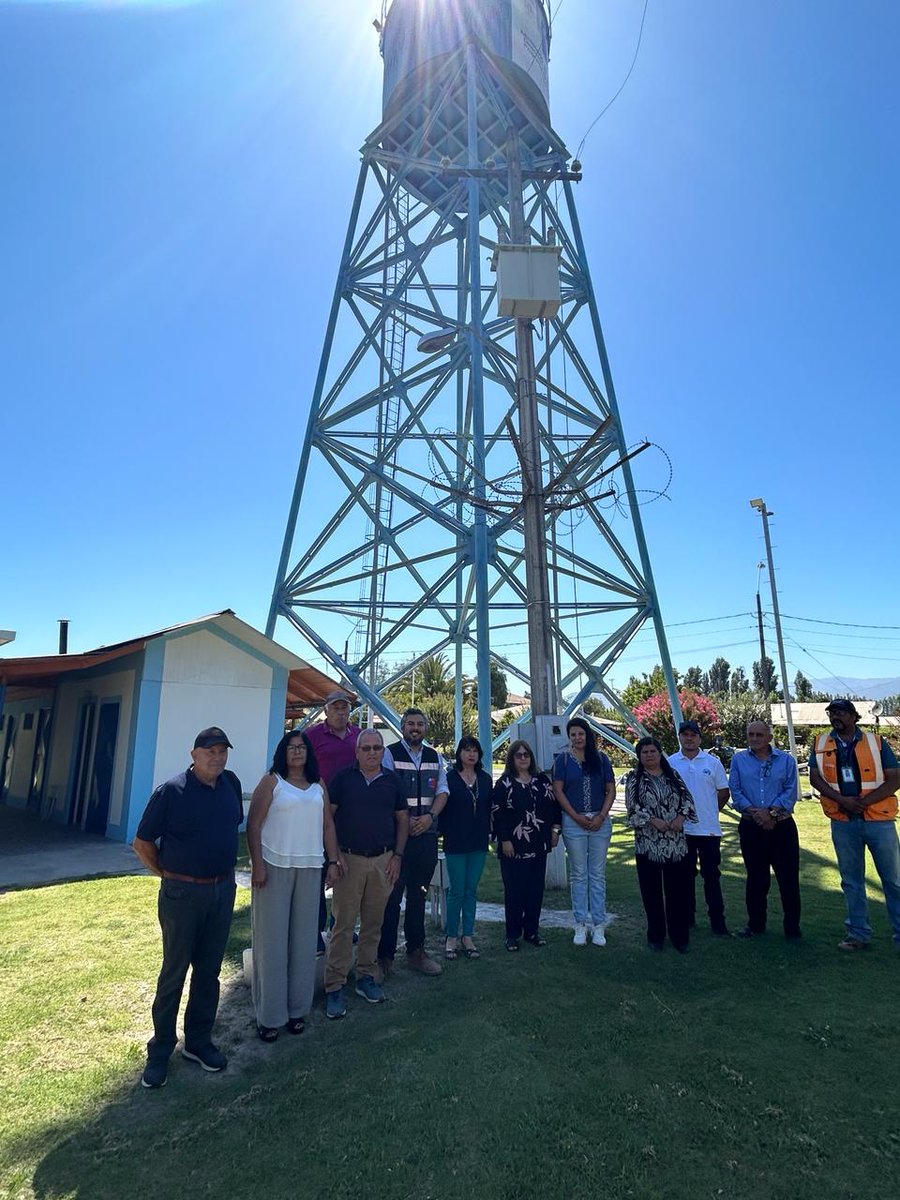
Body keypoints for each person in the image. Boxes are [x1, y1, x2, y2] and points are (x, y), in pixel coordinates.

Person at [132, 726, 244, 1089]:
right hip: (182, 895)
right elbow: (142, 843)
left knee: (209, 972)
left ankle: (198, 1042)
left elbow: (231, 827)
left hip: (222, 890)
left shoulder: (231, 784)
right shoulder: (171, 791)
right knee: (174, 972)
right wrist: (170, 875)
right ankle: (160, 1050)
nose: (217, 757)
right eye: (210, 751)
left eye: (222, 751)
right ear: (194, 755)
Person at [246, 731, 343, 1042]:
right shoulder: (271, 782)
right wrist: (258, 865)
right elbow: (253, 825)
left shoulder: (318, 784)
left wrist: (333, 860)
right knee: (272, 942)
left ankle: (297, 1010)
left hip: (310, 867)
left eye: (302, 747)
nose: (297, 752)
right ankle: (270, 1016)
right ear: (283, 752)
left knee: (303, 942)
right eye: (291, 748)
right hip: (274, 866)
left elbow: (327, 825)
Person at [324, 730, 408, 1018]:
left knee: (374, 923)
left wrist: (397, 856)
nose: (372, 752)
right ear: (357, 751)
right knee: (343, 925)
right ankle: (335, 985)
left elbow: (402, 819)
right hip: (349, 861)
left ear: (383, 751)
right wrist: (334, 857)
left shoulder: (392, 781)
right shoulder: (342, 779)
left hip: (383, 861)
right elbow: (328, 819)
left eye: (377, 748)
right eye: (367, 748)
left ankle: (365, 977)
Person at [809, 699, 900, 951]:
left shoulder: (876, 741)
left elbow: (895, 778)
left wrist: (863, 802)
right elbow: (815, 778)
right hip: (843, 820)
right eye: (831, 713)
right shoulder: (821, 743)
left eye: (840, 712)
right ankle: (857, 934)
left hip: (878, 819)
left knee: (893, 880)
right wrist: (843, 801)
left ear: (853, 716)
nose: (835, 717)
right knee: (851, 880)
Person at [377, 708, 448, 977]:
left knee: (418, 896)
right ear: (402, 726)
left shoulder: (435, 757)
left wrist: (430, 817)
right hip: (397, 837)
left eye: (419, 724)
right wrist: (405, 820)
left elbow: (442, 791)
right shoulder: (390, 754)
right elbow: (385, 789)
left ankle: (416, 951)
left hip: (426, 837)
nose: (415, 728)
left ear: (425, 728)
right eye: (410, 724)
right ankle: (384, 956)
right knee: (391, 897)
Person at [728, 720, 801, 941]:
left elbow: (790, 791)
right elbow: (735, 790)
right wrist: (757, 814)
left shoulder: (786, 760)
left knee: (788, 880)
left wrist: (771, 814)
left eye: (759, 735)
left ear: (769, 737)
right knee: (756, 879)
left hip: (782, 827)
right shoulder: (738, 760)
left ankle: (792, 929)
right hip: (751, 827)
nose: (754, 739)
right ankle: (756, 925)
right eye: (751, 734)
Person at [624, 736, 697, 953]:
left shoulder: (672, 775)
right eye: (644, 752)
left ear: (659, 753)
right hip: (648, 845)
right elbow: (632, 807)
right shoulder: (635, 779)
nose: (649, 755)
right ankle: (656, 935)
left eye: (652, 751)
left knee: (677, 893)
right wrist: (653, 820)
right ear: (639, 756)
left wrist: (680, 818)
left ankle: (679, 937)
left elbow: (687, 800)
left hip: (675, 844)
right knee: (651, 893)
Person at [552, 716, 616, 946]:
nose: (577, 738)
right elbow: (558, 791)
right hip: (573, 823)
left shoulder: (601, 759)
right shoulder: (563, 761)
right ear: (569, 737)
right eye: (573, 735)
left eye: (580, 734)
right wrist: (575, 816)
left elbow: (610, 790)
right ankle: (580, 923)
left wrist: (601, 816)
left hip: (600, 822)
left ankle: (598, 925)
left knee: (597, 875)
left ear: (587, 735)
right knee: (579, 874)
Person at [491, 739, 561, 952]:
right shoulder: (504, 784)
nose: (523, 758)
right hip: (513, 847)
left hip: (538, 845)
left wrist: (555, 830)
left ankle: (532, 931)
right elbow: (497, 813)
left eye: (526, 754)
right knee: (515, 892)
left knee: (535, 891)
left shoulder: (542, 781)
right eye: (518, 755)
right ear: (512, 758)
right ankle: (512, 935)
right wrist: (504, 840)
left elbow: (554, 807)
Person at [306, 690, 361, 952]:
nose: (341, 712)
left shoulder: (359, 736)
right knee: (319, 872)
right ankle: (314, 932)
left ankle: (340, 925)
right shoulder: (312, 736)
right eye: (336, 707)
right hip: (319, 811)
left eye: (344, 708)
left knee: (346, 872)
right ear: (326, 710)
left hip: (351, 813)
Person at [668, 719, 731, 936]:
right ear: (680, 737)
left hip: (708, 830)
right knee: (684, 877)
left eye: (693, 735)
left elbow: (723, 792)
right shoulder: (671, 762)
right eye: (685, 735)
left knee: (711, 876)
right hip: (682, 830)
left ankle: (718, 923)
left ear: (699, 738)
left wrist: (710, 812)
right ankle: (688, 918)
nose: (689, 739)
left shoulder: (712, 763)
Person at [441, 735, 493, 960]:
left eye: (475, 750)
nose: (471, 754)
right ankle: (451, 936)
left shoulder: (485, 779)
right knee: (457, 891)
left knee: (471, 890)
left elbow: (490, 808)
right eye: (467, 750)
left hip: (478, 842)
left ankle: (468, 935)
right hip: (456, 842)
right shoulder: (449, 778)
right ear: (459, 753)